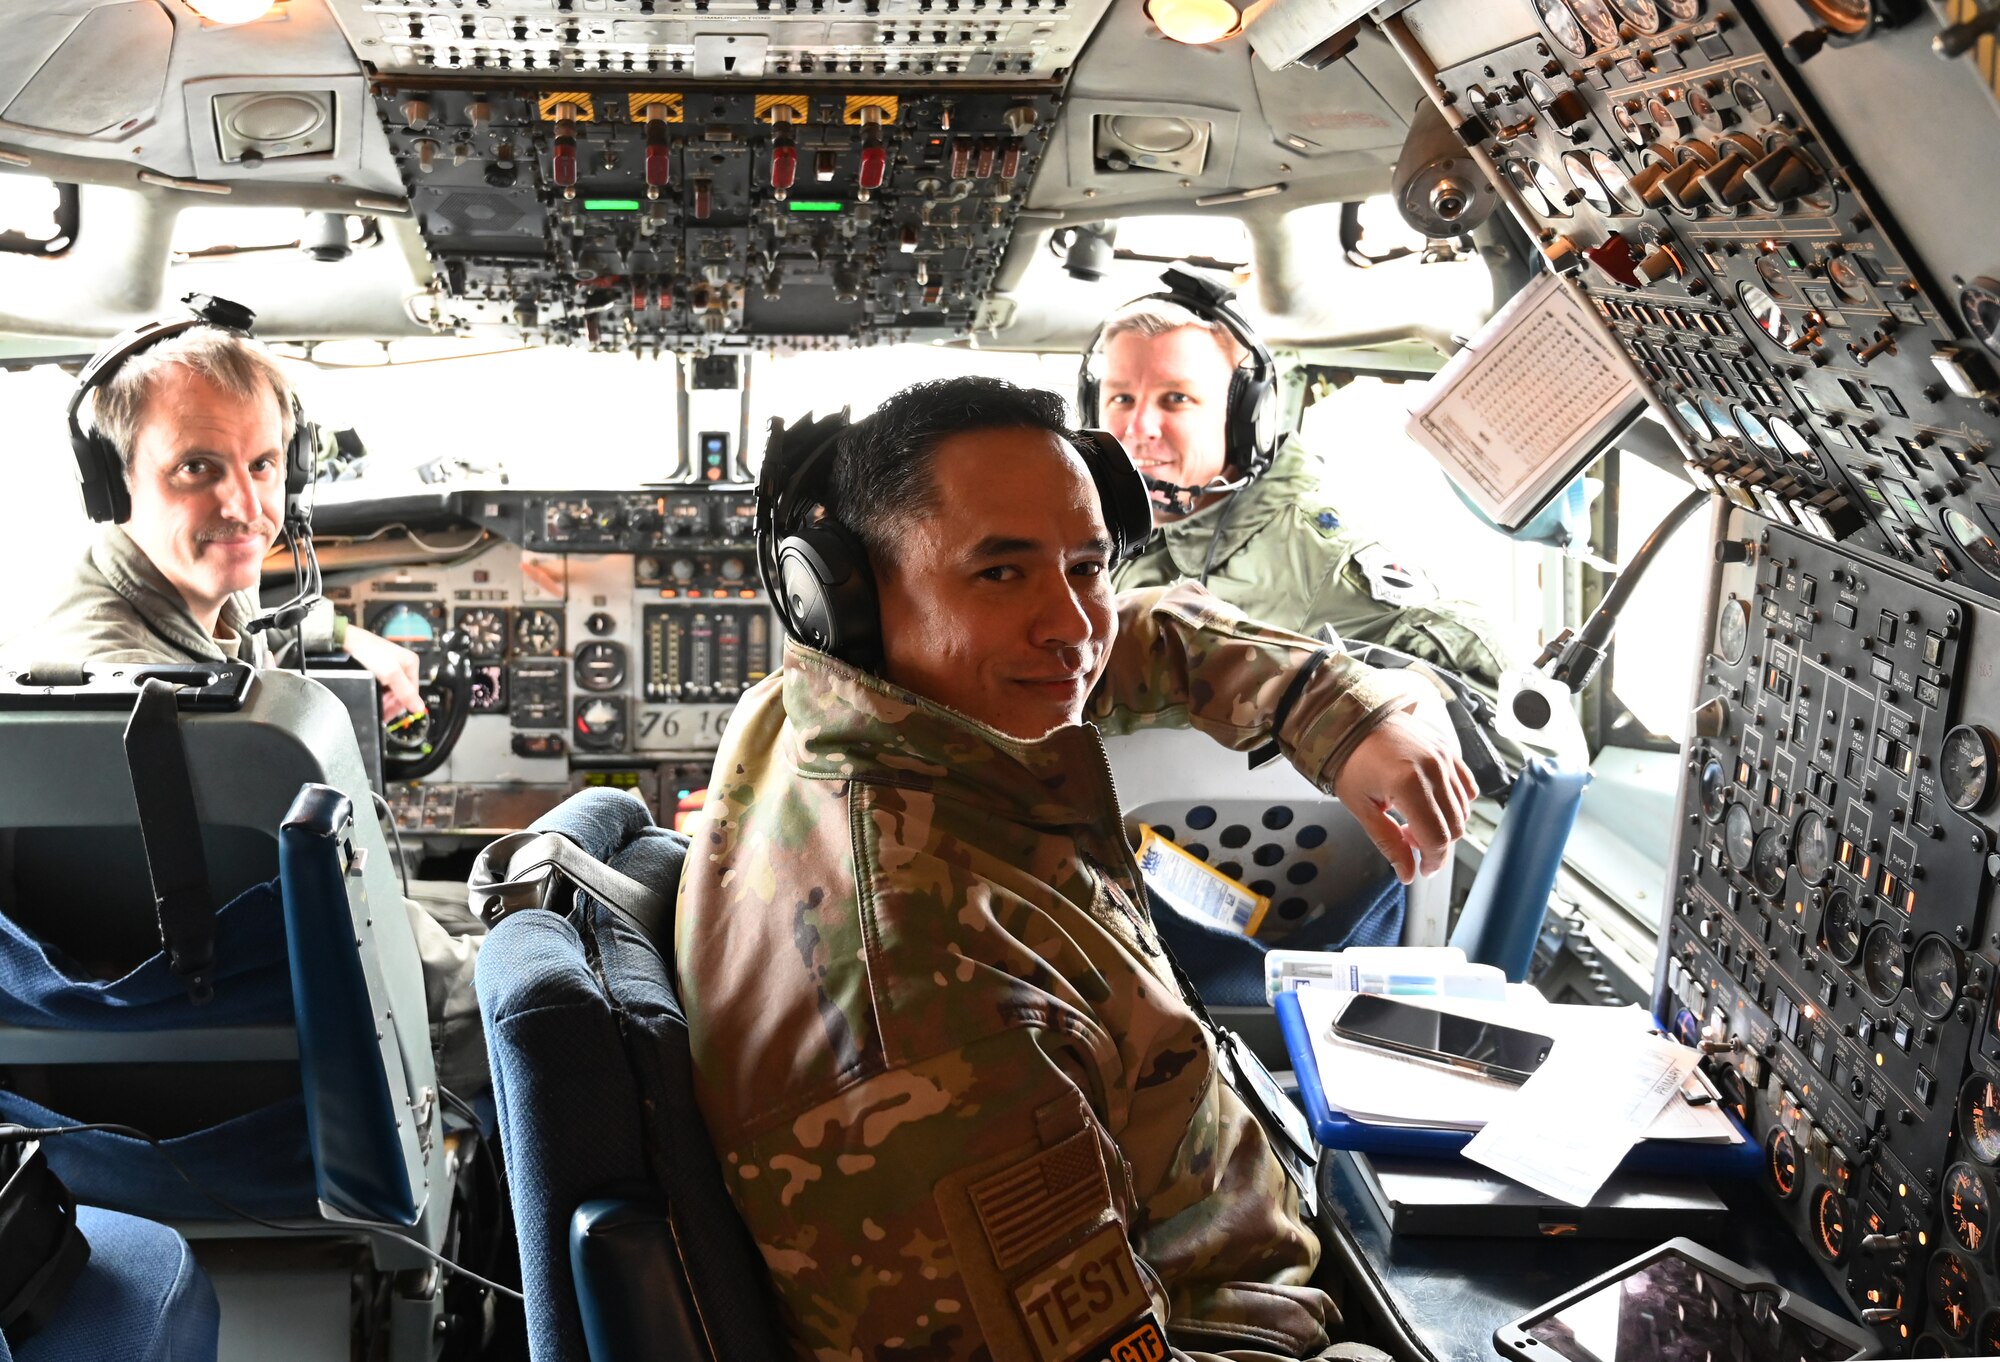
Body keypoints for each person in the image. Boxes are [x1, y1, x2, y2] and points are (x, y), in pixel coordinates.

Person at [678, 377, 1474, 1362]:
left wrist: (1331, 708)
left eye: (1085, 564)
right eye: (999, 575)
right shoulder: (938, 1021)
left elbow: (1127, 635)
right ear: (848, 597)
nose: (1069, 624)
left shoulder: (828, 708)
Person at [0, 323, 488, 1097]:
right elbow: (325, 930)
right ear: (112, 480)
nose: (244, 505)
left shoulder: (180, 570)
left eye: (263, 464)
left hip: (215, 983)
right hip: (243, 1027)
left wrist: (351, 634)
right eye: (196, 468)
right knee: (549, 998)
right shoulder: (144, 709)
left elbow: (250, 615)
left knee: (506, 899)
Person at [1088, 273, 1512, 691]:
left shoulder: (1320, 562)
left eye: (1176, 398)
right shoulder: (1108, 536)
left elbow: (1508, 715)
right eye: (1121, 398)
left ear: (1245, 419)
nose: (1138, 427)